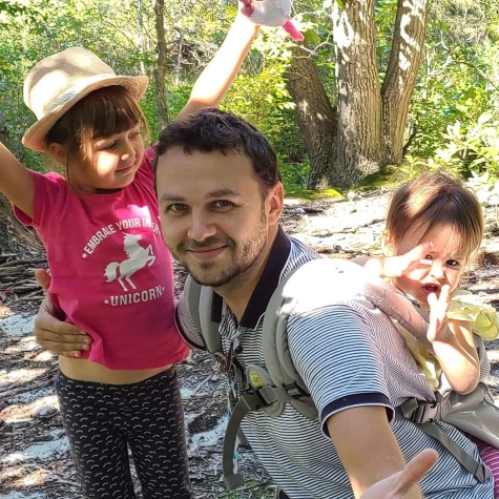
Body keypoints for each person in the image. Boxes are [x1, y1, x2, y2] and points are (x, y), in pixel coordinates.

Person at [32, 110, 495, 498]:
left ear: (273, 205)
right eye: (176, 208)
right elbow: (138, 327)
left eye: (222, 204)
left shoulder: (320, 316)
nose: (197, 230)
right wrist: (60, 317)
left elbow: (386, 481)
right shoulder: (203, 300)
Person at [0, 11, 259, 499]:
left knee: (169, 491)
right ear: (58, 151)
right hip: (85, 389)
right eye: (107, 145)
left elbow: (204, 99)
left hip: (154, 384)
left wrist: (247, 23)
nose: (130, 151)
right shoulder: (49, 202)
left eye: (134, 135)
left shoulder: (146, 178)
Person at [356, 171, 499, 494]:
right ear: (391, 244)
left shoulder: (453, 309)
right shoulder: (380, 286)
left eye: (452, 262)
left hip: (466, 424)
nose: (438, 272)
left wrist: (443, 339)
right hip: (412, 426)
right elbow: (347, 271)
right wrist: (386, 266)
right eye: (426, 257)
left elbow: (466, 380)